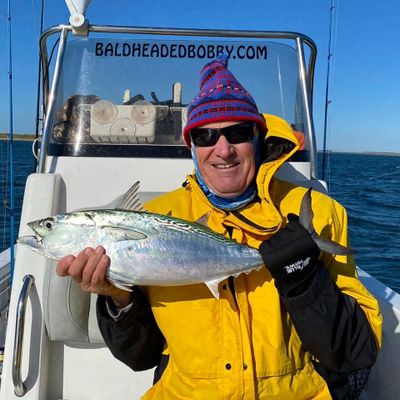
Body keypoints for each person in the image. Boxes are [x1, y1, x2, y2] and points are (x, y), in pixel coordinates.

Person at [56, 54, 382, 399]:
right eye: (206, 136)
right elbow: (141, 358)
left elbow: (355, 352)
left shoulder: (318, 212)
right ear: (192, 147)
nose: (223, 150)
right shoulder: (159, 216)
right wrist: (119, 299)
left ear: (258, 137)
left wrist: (304, 279)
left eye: (238, 133)